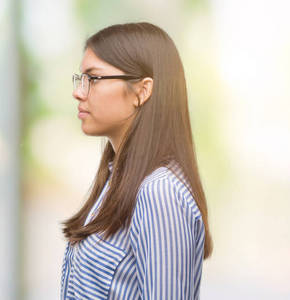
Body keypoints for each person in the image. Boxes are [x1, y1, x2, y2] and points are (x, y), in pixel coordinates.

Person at [60, 22, 213, 300]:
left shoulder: (159, 192)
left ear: (143, 90)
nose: (79, 92)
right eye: (80, 79)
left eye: (93, 79)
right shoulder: (116, 182)